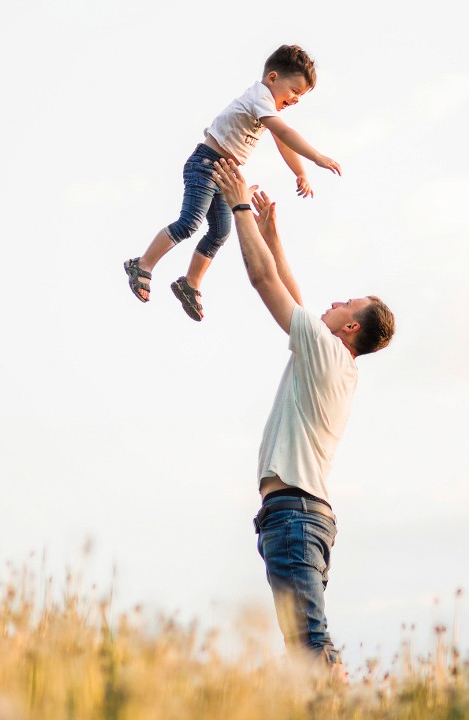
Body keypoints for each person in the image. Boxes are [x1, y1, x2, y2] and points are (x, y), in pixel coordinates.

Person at [209, 158, 395, 672]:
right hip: (304, 515)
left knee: (309, 648)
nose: (334, 302)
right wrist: (270, 231)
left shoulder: (327, 352)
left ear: (351, 328)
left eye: (347, 303)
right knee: (309, 643)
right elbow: (295, 296)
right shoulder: (334, 361)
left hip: (294, 514)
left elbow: (263, 278)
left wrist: (239, 203)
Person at [122, 44, 342, 321]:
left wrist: (300, 172)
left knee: (220, 232)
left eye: (301, 96)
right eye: (295, 91)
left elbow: (283, 143)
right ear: (273, 78)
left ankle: (190, 283)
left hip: (226, 176)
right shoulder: (260, 96)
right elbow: (285, 133)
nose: (296, 99)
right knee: (190, 222)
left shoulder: (268, 111)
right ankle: (141, 264)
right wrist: (316, 157)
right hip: (206, 164)